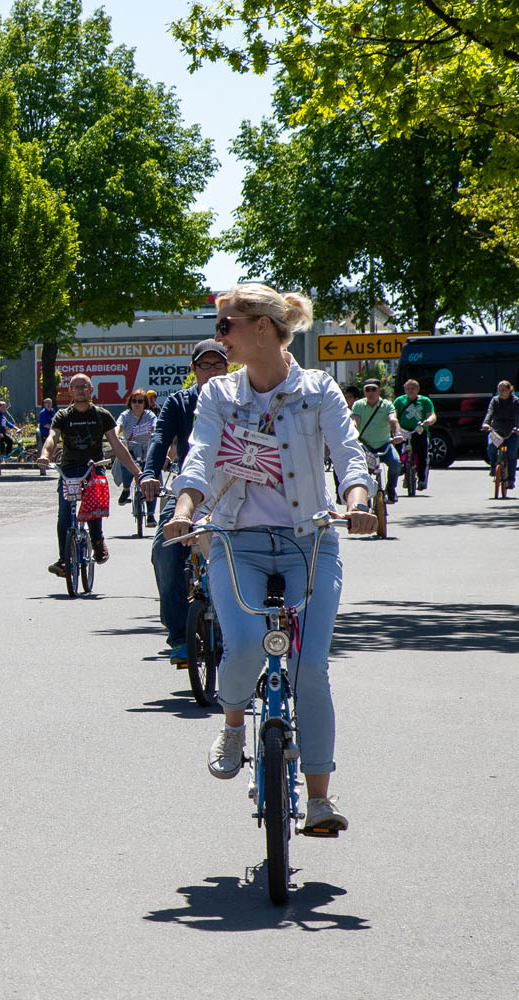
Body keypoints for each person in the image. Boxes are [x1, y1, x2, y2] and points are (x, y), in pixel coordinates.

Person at [161, 284, 376, 835]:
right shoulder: (218, 394)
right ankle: (235, 722)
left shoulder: (318, 389)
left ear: (262, 327)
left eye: (225, 325)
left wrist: (357, 502)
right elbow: (200, 457)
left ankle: (321, 799)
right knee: (247, 645)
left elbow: (349, 452)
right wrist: (185, 510)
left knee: (309, 668)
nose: (218, 337)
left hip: (310, 539)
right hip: (237, 539)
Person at [140, 339, 230, 665]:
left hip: (231, 491)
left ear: (228, 367)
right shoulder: (178, 403)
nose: (211, 371)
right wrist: (149, 474)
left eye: (218, 364)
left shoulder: (237, 401)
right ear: (193, 370)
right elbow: (160, 439)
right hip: (187, 493)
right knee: (163, 550)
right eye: (204, 365)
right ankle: (179, 635)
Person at [38, 373, 141, 574]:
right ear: (70, 392)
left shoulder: (101, 415)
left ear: (91, 390)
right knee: (64, 514)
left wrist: (137, 472)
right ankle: (64, 559)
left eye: (84, 386)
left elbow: (117, 445)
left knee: (94, 501)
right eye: (76, 387)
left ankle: (97, 540)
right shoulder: (63, 416)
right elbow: (52, 437)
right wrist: (44, 454)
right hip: (68, 470)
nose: (80, 390)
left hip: (93, 468)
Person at [350, 379, 401, 503]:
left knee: (396, 463)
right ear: (364, 392)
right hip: (366, 446)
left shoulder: (387, 405)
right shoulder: (358, 405)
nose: (370, 392)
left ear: (379, 390)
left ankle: (390, 489)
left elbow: (393, 420)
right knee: (362, 470)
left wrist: (397, 434)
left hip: (384, 445)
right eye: (367, 390)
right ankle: (364, 498)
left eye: (373, 389)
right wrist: (353, 433)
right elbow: (355, 421)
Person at [115, 389, 157, 521]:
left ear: (145, 403)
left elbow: (157, 426)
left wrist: (155, 432)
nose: (137, 404)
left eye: (140, 401)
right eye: (134, 401)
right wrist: (115, 435)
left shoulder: (150, 415)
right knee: (126, 463)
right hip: (131, 449)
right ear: (130, 403)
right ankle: (126, 489)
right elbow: (118, 426)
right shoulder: (126, 415)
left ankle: (150, 515)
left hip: (147, 450)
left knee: (151, 478)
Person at [393, 377, 435, 491]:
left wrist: (428, 422)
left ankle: (421, 479)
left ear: (418, 389)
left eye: (413, 388)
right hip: (403, 430)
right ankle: (400, 468)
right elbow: (393, 415)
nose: (411, 390)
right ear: (405, 390)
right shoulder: (399, 401)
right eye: (408, 388)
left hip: (418, 430)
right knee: (396, 449)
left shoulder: (425, 401)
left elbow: (432, 415)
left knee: (422, 455)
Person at [482, 379, 519, 489]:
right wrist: (486, 424)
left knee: (512, 454)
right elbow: (490, 412)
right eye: (499, 390)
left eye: (503, 390)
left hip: (512, 431)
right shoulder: (495, 400)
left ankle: (511, 480)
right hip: (497, 430)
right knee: (491, 447)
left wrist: (518, 427)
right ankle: (494, 468)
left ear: (509, 390)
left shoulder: (516, 401)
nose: (501, 392)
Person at [35, 394, 56, 476]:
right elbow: (45, 424)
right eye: (47, 403)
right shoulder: (42, 413)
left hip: (52, 433)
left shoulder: (52, 411)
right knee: (45, 449)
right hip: (45, 433)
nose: (49, 405)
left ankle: (49, 461)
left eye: (50, 403)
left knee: (54, 447)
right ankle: (43, 466)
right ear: (44, 404)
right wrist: (54, 427)